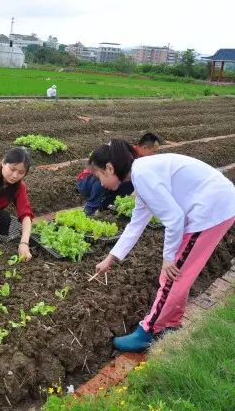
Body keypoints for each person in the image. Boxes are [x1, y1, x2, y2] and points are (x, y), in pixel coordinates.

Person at [90, 140, 235, 352]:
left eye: (99, 176)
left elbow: (174, 219)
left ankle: (148, 331)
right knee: (178, 274)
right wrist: (110, 259)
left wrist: (168, 258)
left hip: (209, 211)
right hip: (216, 206)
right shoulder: (142, 174)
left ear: (110, 168)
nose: (100, 183)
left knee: (172, 275)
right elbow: (136, 224)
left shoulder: (143, 175)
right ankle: (171, 323)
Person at [76, 133, 161, 215]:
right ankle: (91, 208)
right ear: (145, 148)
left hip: (106, 177)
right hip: (85, 182)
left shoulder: (137, 166)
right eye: (154, 151)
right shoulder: (124, 154)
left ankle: (105, 207)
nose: (155, 155)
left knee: (128, 183)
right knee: (101, 179)